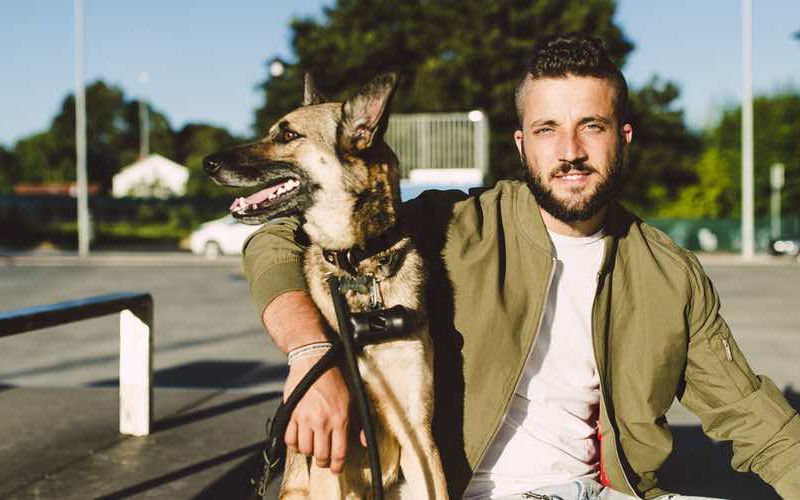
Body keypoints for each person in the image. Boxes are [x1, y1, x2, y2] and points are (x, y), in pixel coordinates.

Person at [241, 34, 800, 499]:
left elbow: (754, 416)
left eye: (593, 126)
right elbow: (277, 240)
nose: (570, 151)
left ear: (623, 138)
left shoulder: (669, 273)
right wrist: (311, 354)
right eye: (547, 129)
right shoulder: (452, 224)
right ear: (522, 143)